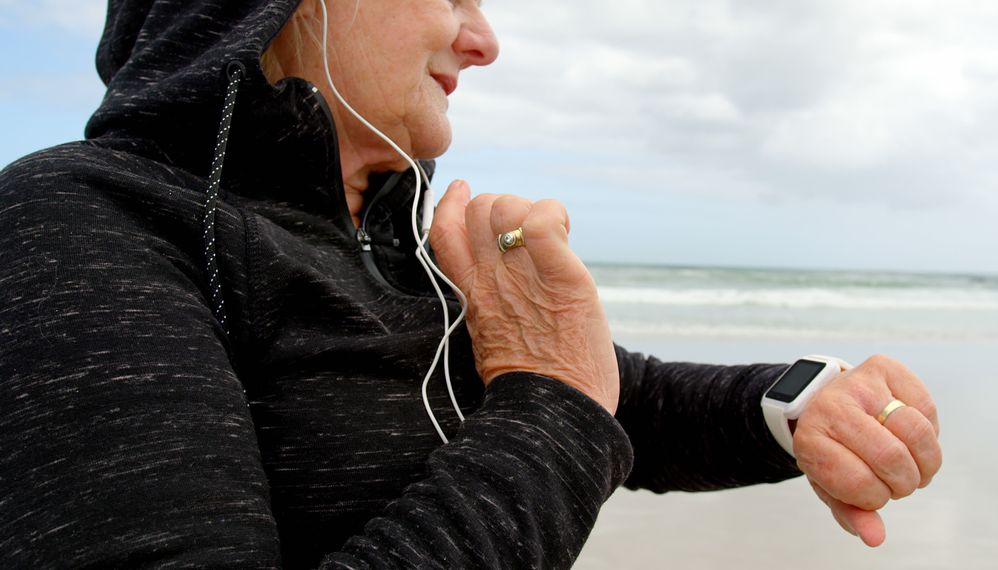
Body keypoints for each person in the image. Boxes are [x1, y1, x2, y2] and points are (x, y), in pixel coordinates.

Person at [0, 0, 942, 568]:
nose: (484, 41)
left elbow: (621, 398)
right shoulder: (77, 223)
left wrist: (801, 405)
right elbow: (565, 399)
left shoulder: (383, 238)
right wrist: (555, 397)